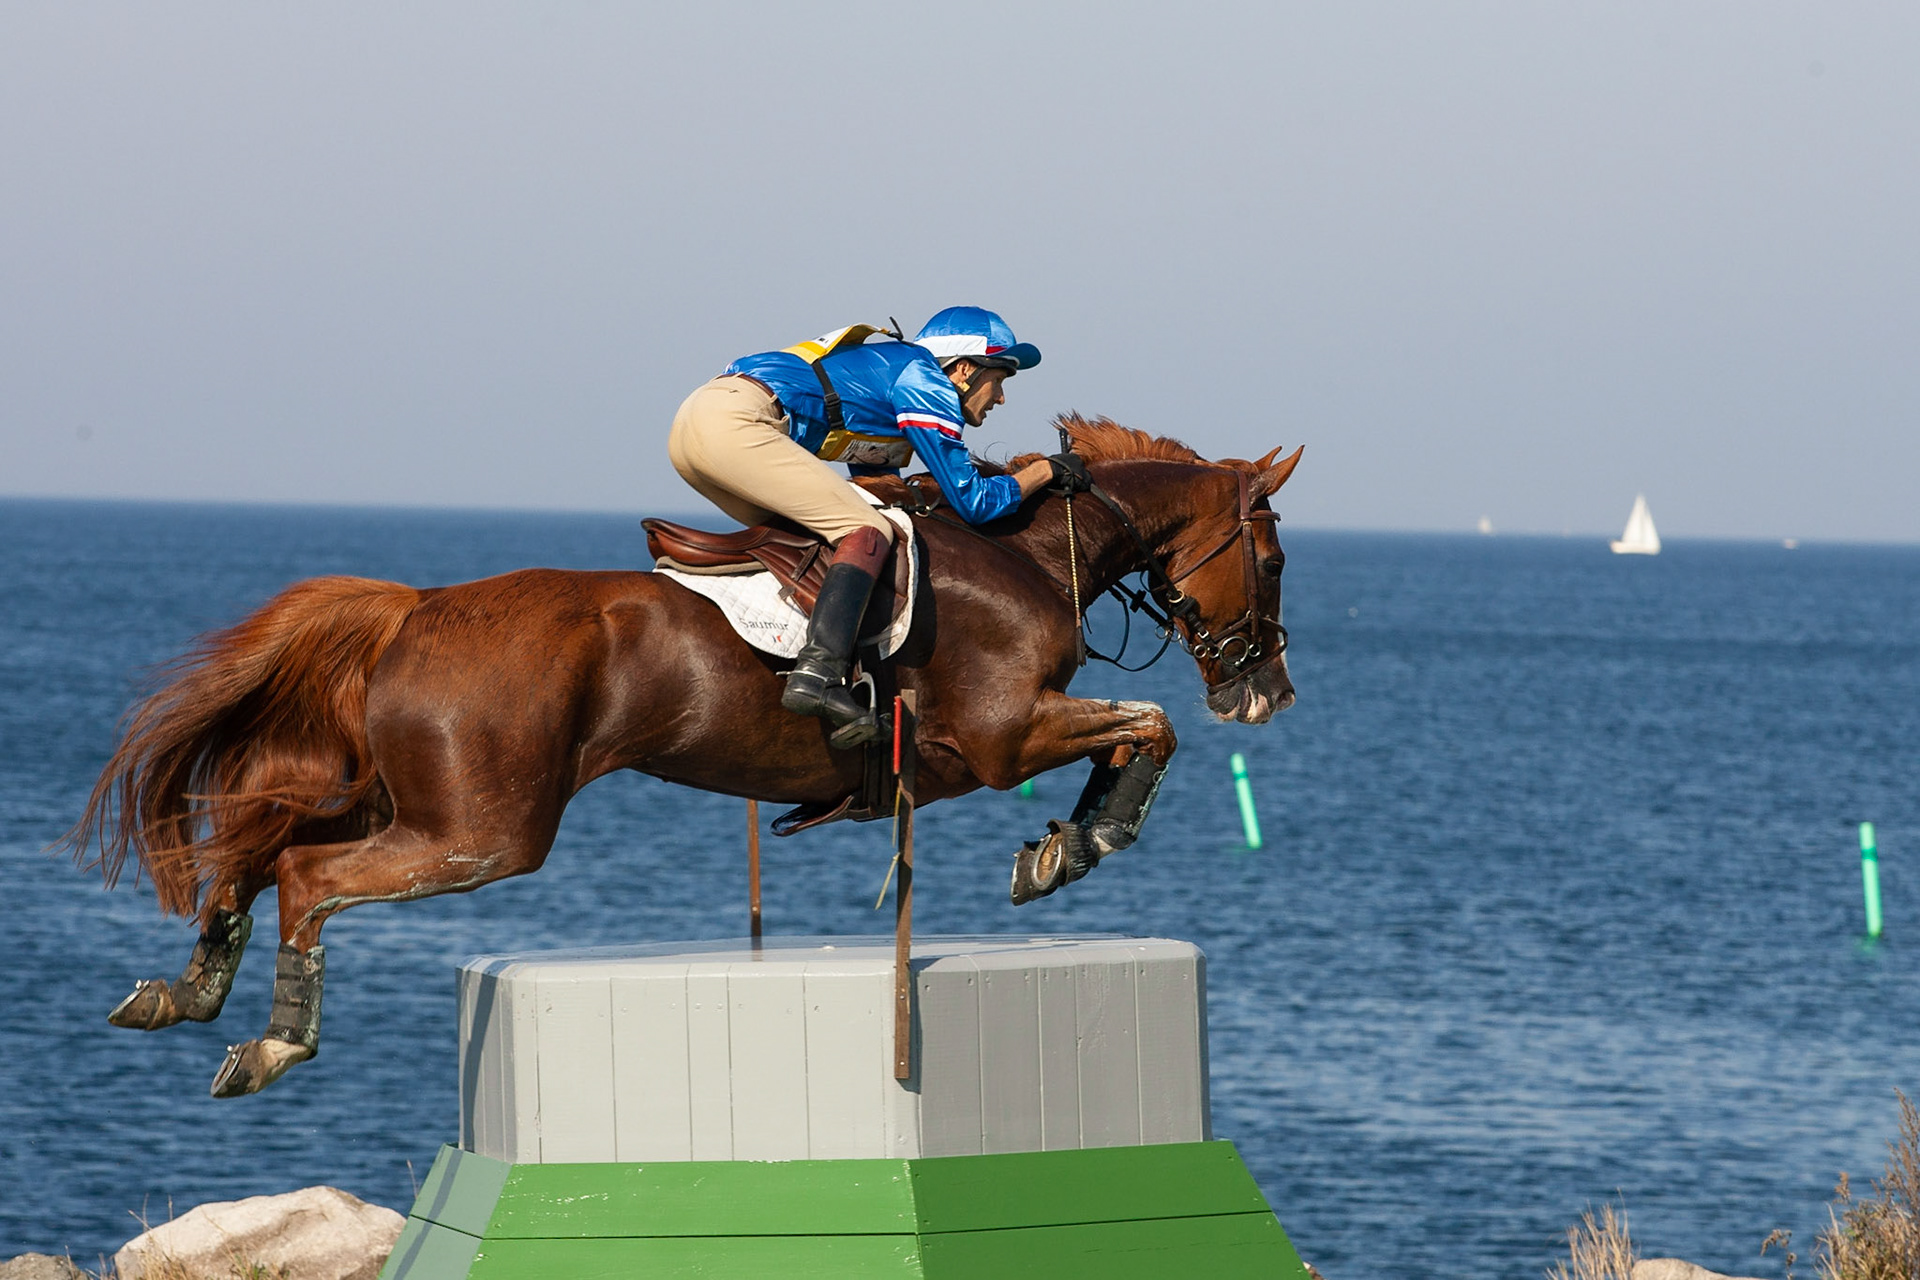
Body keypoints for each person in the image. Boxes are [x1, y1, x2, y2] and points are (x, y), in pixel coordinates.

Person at [668, 306, 1061, 746]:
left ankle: (785, 660)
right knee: (869, 533)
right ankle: (818, 674)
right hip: (738, 424)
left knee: (817, 539)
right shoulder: (925, 380)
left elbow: (878, 483)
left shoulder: (891, 374)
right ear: (965, 369)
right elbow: (975, 504)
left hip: (696, 425)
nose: (1001, 398)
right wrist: (1043, 472)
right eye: (1001, 379)